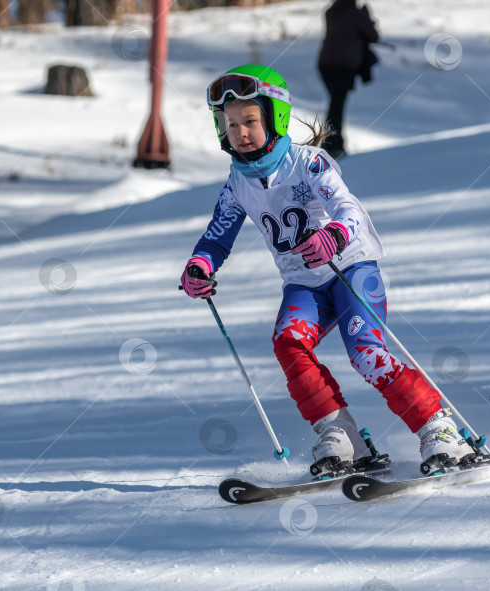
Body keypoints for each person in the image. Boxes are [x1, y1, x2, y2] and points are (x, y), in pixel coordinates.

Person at [181, 64, 474, 477]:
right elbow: (216, 237)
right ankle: (339, 433)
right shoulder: (236, 183)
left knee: (366, 352)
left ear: (275, 116)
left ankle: (439, 429)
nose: (240, 132)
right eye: (231, 124)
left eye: (250, 120)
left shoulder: (309, 163)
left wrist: (334, 236)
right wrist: (200, 266)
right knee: (288, 343)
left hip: (350, 268)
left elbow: (347, 208)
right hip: (303, 283)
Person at [317, 0, 379, 159]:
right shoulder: (356, 13)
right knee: (337, 104)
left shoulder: (330, 12)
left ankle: (332, 142)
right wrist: (368, 18)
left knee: (335, 103)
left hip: (325, 63)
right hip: (344, 65)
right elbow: (373, 35)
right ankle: (332, 144)